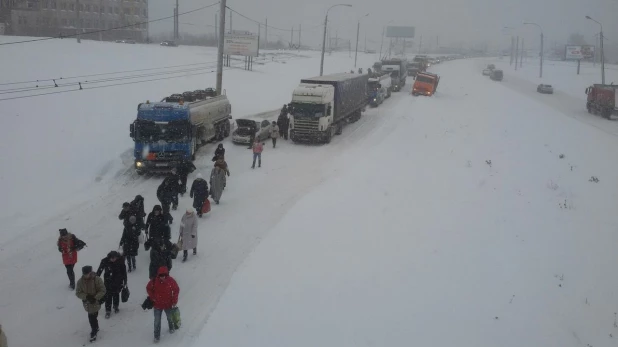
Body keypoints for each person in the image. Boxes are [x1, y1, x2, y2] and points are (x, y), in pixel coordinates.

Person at [146, 266, 179, 343]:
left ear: (166, 275)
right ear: (158, 275)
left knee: (170, 318)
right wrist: (152, 297)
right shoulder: (154, 281)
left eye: (164, 275)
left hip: (168, 304)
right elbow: (148, 288)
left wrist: (174, 300)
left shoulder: (171, 281)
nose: (162, 277)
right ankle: (156, 336)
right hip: (157, 305)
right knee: (157, 321)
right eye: (160, 275)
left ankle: (171, 327)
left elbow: (176, 289)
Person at [75, 265, 106, 342]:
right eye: (84, 274)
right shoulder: (80, 282)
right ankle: (95, 329)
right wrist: (86, 296)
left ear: (91, 272)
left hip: (96, 301)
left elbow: (102, 290)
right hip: (87, 303)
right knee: (92, 317)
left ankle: (94, 330)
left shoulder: (97, 279)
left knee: (93, 316)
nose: (86, 276)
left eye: (87, 274)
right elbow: (78, 293)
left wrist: (95, 298)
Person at [96, 251, 127, 319]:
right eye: (112, 258)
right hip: (108, 281)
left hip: (118, 281)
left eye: (114, 258)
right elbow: (99, 270)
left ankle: (116, 306)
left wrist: (125, 282)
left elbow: (124, 272)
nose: (113, 260)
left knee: (116, 294)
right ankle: (108, 310)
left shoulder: (120, 261)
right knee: (108, 296)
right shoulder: (105, 261)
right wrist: (96, 278)